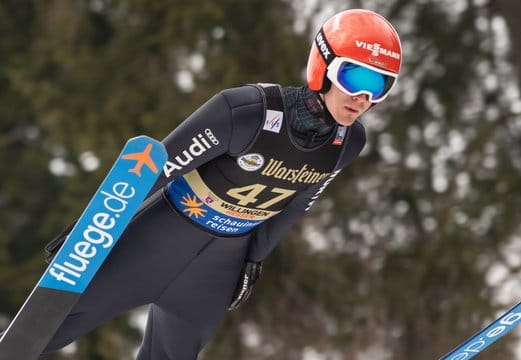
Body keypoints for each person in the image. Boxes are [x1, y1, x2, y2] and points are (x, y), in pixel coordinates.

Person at [40, 8, 402, 359]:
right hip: (157, 240)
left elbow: (295, 206)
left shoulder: (348, 144)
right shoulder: (245, 112)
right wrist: (93, 227)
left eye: (380, 86)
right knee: (44, 333)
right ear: (323, 65)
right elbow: (158, 168)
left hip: (216, 270)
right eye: (356, 79)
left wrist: (253, 260)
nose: (364, 97)